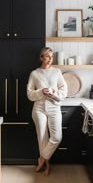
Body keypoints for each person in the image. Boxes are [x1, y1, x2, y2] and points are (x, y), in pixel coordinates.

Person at [27, 47, 68, 176]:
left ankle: (42, 158)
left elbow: (64, 90)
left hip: (54, 107)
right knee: (42, 138)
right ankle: (47, 166)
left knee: (57, 137)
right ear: (41, 58)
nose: (50, 59)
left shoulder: (57, 72)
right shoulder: (34, 74)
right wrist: (41, 92)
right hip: (39, 109)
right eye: (47, 56)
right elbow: (29, 94)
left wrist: (54, 94)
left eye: (51, 57)